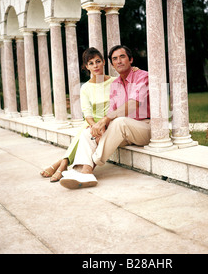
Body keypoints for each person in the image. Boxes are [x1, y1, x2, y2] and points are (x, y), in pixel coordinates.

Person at [40, 47, 138, 182]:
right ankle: (63, 164)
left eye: (98, 61)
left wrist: (135, 70)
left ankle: (62, 164)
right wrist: (95, 126)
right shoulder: (85, 87)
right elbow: (87, 113)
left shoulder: (115, 81)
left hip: (112, 121)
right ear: (87, 67)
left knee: (83, 134)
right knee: (86, 132)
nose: (95, 65)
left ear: (104, 62)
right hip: (93, 123)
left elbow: (127, 93)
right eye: (91, 63)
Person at [60, 45, 151, 189]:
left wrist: (105, 120)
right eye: (115, 59)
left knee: (120, 122)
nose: (119, 61)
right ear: (112, 64)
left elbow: (134, 104)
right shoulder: (115, 84)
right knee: (88, 133)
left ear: (131, 59)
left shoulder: (142, 76)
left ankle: (87, 169)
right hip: (123, 134)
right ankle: (80, 172)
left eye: (122, 57)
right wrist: (101, 128)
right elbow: (112, 112)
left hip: (144, 128)